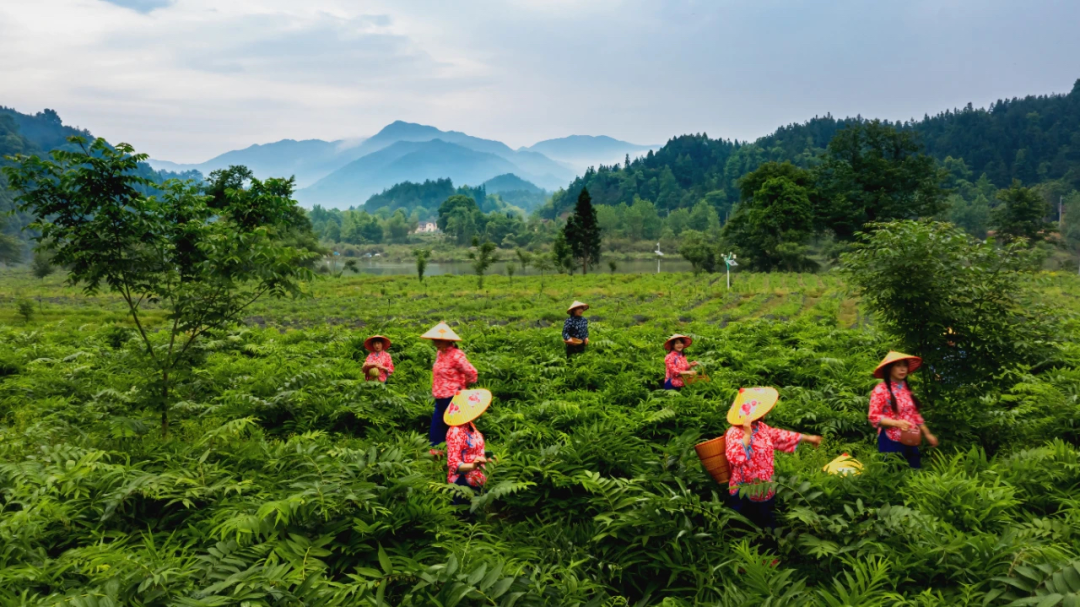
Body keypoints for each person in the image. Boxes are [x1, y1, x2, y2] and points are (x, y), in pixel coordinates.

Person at [724, 387, 822, 529]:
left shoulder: (761, 427)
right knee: (746, 526)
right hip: (745, 489)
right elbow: (735, 458)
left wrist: (809, 438)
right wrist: (747, 435)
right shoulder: (734, 433)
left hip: (765, 486)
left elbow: (780, 435)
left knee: (767, 523)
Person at [868, 351, 940, 469]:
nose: (902, 369)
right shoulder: (880, 390)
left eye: (905, 365)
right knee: (892, 474)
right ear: (889, 369)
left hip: (910, 438)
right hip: (891, 439)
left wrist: (927, 434)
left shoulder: (905, 388)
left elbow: (915, 415)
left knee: (914, 472)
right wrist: (897, 423)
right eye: (898, 366)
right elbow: (874, 417)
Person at [420, 321, 478, 455]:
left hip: (453, 397)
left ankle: (468, 454)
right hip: (440, 397)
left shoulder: (456, 355)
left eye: (440, 339)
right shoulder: (440, 354)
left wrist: (464, 386)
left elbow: (472, 372)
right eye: (435, 339)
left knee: (457, 427)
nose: (436, 342)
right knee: (437, 427)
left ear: (448, 340)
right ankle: (438, 455)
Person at [445, 388, 495, 506]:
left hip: (477, 479)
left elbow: (471, 450)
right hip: (462, 484)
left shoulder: (469, 425)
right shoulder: (455, 431)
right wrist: (473, 465)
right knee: (464, 516)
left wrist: (486, 458)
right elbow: (453, 463)